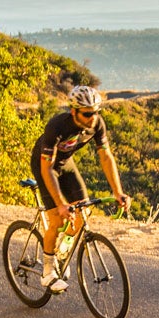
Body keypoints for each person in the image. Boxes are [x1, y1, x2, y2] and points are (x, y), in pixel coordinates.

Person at [31, 85, 129, 292]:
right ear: (74, 111)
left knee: (81, 214)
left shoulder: (97, 124)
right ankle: (47, 273)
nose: (92, 117)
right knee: (58, 218)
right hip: (45, 167)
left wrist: (117, 192)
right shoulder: (56, 127)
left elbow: (105, 156)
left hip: (66, 164)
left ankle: (60, 252)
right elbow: (47, 168)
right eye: (87, 113)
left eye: (95, 112)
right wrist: (61, 204)